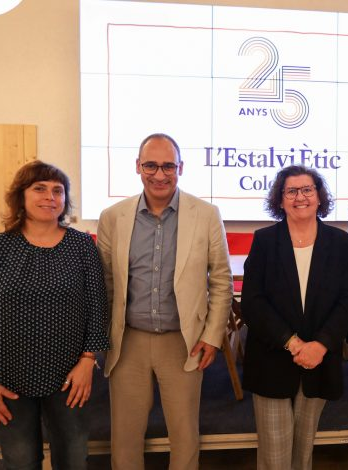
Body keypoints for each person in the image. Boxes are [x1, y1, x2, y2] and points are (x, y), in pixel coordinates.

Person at [0, 160, 109, 470]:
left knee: (73, 459)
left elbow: (97, 308)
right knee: (21, 461)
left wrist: (88, 361)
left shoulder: (81, 246)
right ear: (20, 196)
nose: (50, 196)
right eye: (39, 188)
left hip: (69, 377)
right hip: (6, 376)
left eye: (57, 190)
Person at [97, 133, 232, 469]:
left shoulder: (206, 214)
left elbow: (220, 280)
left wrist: (212, 336)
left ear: (180, 168)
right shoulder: (113, 216)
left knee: (184, 436)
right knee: (125, 437)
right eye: (151, 166)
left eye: (168, 166)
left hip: (183, 342)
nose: (159, 175)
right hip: (128, 341)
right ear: (138, 167)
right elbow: (105, 283)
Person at [241, 165, 348, 470]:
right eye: (291, 191)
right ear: (280, 200)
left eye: (307, 190)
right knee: (275, 456)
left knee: (303, 453)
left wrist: (320, 345)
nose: (300, 197)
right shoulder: (265, 241)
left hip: (319, 360)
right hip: (272, 358)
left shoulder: (340, 242)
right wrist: (292, 343)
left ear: (319, 197)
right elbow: (253, 302)